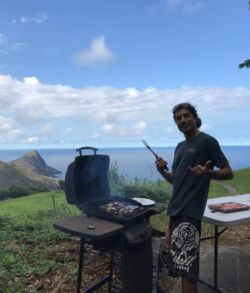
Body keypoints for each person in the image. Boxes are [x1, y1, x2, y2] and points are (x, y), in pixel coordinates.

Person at [155, 102, 233, 293]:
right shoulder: (180, 146)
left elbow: (228, 172)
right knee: (182, 268)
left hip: (189, 213)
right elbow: (176, 180)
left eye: (186, 115)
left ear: (195, 118)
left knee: (187, 269)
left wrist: (208, 173)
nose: (183, 120)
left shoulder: (207, 141)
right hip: (175, 211)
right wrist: (162, 171)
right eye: (178, 118)